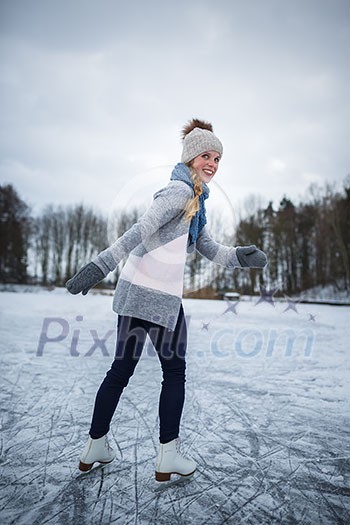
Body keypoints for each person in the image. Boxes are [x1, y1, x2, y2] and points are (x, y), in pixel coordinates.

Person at [66, 118, 267, 481]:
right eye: (206, 155)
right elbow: (138, 229)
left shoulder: (195, 202)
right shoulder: (178, 191)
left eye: (218, 158)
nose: (213, 164)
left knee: (120, 371)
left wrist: (238, 256)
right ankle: (167, 456)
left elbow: (205, 246)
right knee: (174, 373)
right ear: (191, 157)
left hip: (134, 293)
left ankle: (95, 446)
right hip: (157, 297)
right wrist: (101, 264)